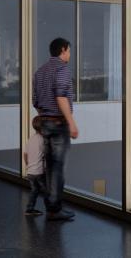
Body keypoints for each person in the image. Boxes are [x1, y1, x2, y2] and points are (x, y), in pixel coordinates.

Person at [32, 37, 78, 221]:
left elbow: (35, 101)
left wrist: (44, 117)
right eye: (69, 50)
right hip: (59, 124)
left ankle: (51, 206)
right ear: (63, 49)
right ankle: (55, 208)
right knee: (58, 167)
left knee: (49, 166)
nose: (69, 54)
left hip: (44, 121)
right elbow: (61, 97)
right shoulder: (62, 69)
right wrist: (71, 122)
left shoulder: (40, 71)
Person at [24, 118, 47, 216]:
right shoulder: (42, 140)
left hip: (31, 172)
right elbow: (46, 154)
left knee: (34, 190)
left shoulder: (31, 138)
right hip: (39, 172)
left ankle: (29, 209)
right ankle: (52, 210)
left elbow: (25, 154)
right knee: (47, 191)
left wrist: (28, 165)